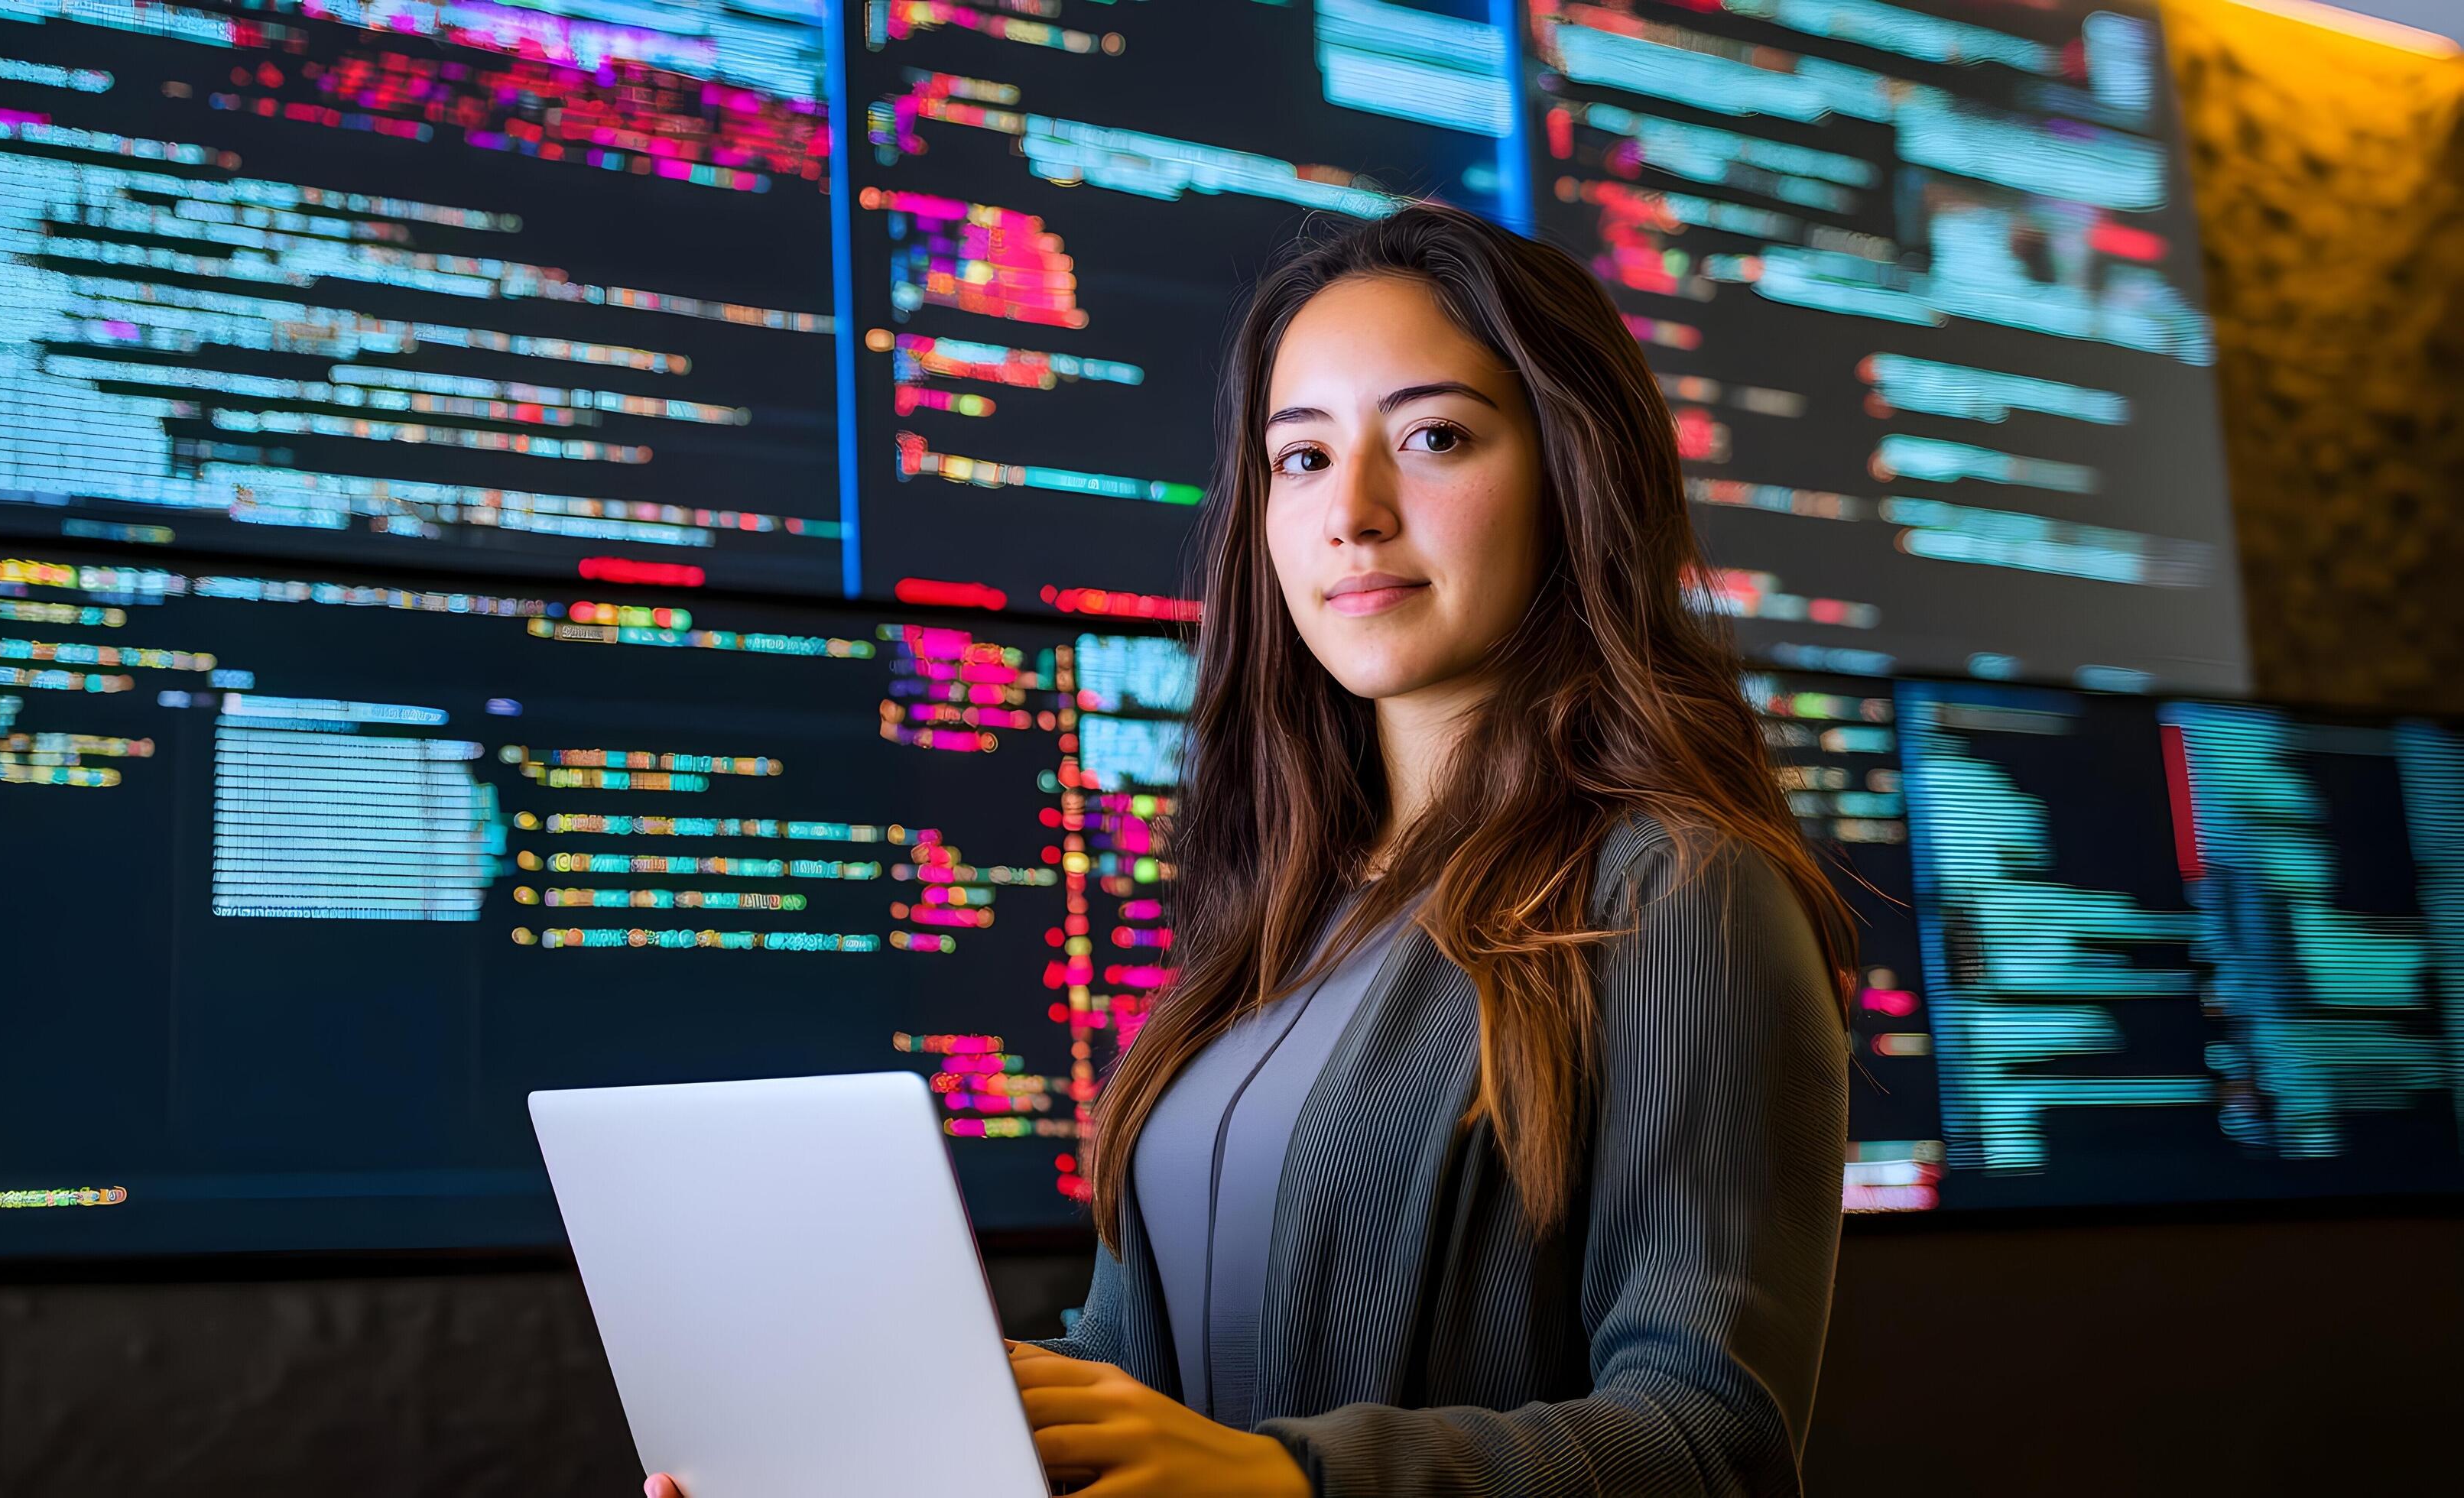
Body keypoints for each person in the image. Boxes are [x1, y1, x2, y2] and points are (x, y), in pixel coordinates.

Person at [649, 200, 1854, 1498]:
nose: (1356, 513)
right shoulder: (1273, 914)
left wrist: (1288, 1481)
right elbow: (1143, 1376)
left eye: (1434, 437)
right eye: (1302, 459)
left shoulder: (1676, 886)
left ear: (1574, 471)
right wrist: (902, 1447)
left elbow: (1710, 1444)